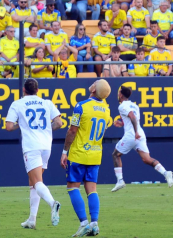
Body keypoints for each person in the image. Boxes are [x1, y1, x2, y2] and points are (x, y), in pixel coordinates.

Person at [5, 78, 62, 229]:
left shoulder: (18, 104)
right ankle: (32, 220)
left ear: (23, 90)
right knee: (34, 183)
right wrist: (46, 130)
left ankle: (53, 203)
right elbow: (59, 123)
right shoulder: (47, 103)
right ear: (37, 90)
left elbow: (9, 127)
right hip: (46, 146)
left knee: (37, 182)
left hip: (32, 146)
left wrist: (21, 125)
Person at [60, 79, 111, 237]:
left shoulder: (81, 106)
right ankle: (94, 224)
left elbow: (72, 131)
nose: (93, 83)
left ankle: (83, 223)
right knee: (92, 190)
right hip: (95, 154)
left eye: (96, 82)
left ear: (94, 89)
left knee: (73, 187)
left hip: (79, 153)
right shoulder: (106, 109)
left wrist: (64, 151)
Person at [111, 86, 173, 192]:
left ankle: (120, 180)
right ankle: (166, 173)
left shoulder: (122, 106)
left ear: (121, 95)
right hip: (140, 134)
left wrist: (135, 132)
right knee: (146, 159)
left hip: (133, 135)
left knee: (115, 155)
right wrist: (122, 124)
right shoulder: (135, 105)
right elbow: (132, 120)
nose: (118, 94)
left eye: (118, 93)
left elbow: (132, 117)